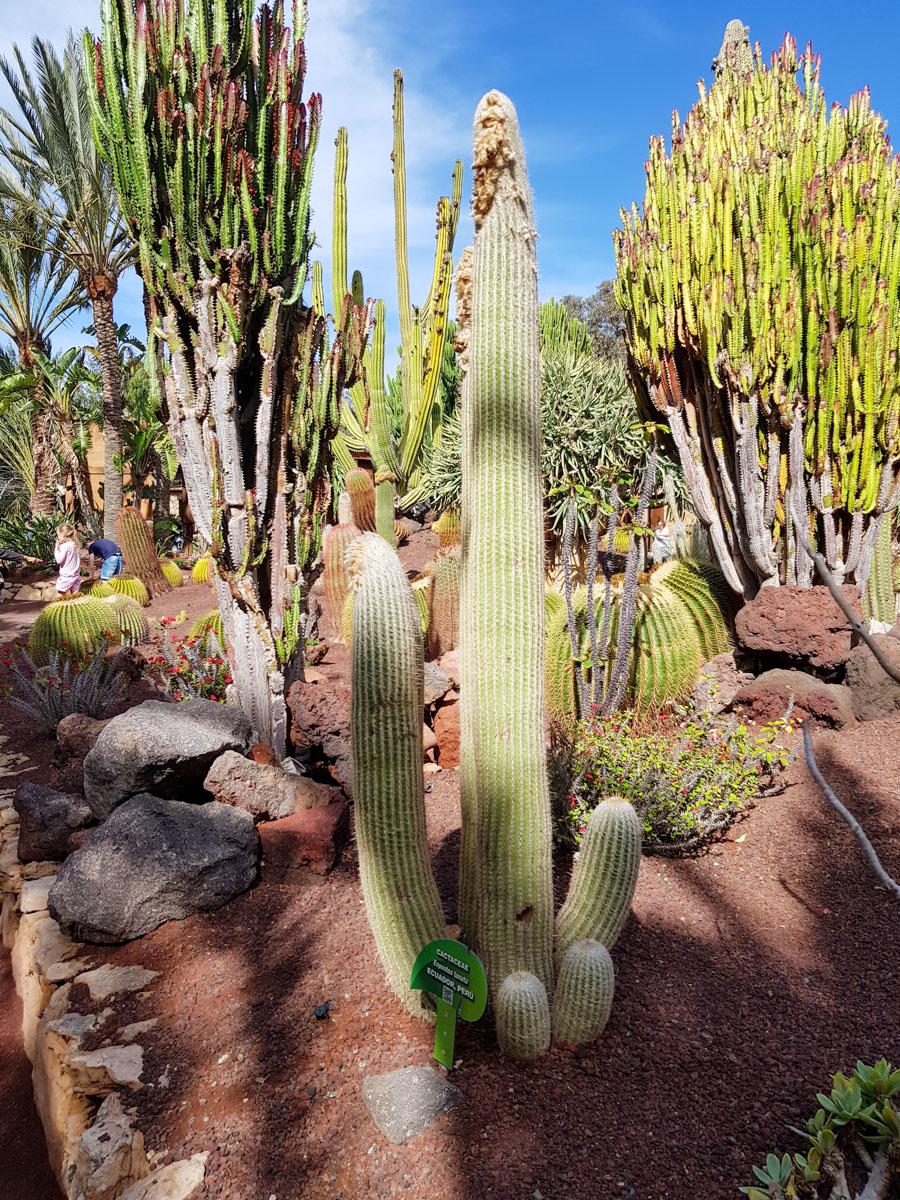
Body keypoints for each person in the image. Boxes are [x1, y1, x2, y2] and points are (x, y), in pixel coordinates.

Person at [54, 524, 82, 598]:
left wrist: (56, 548)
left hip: (66, 575)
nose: (58, 537)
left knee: (60, 595)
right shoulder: (76, 545)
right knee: (75, 596)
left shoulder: (65, 546)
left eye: (58, 534)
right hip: (75, 575)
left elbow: (59, 560)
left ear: (62, 534)